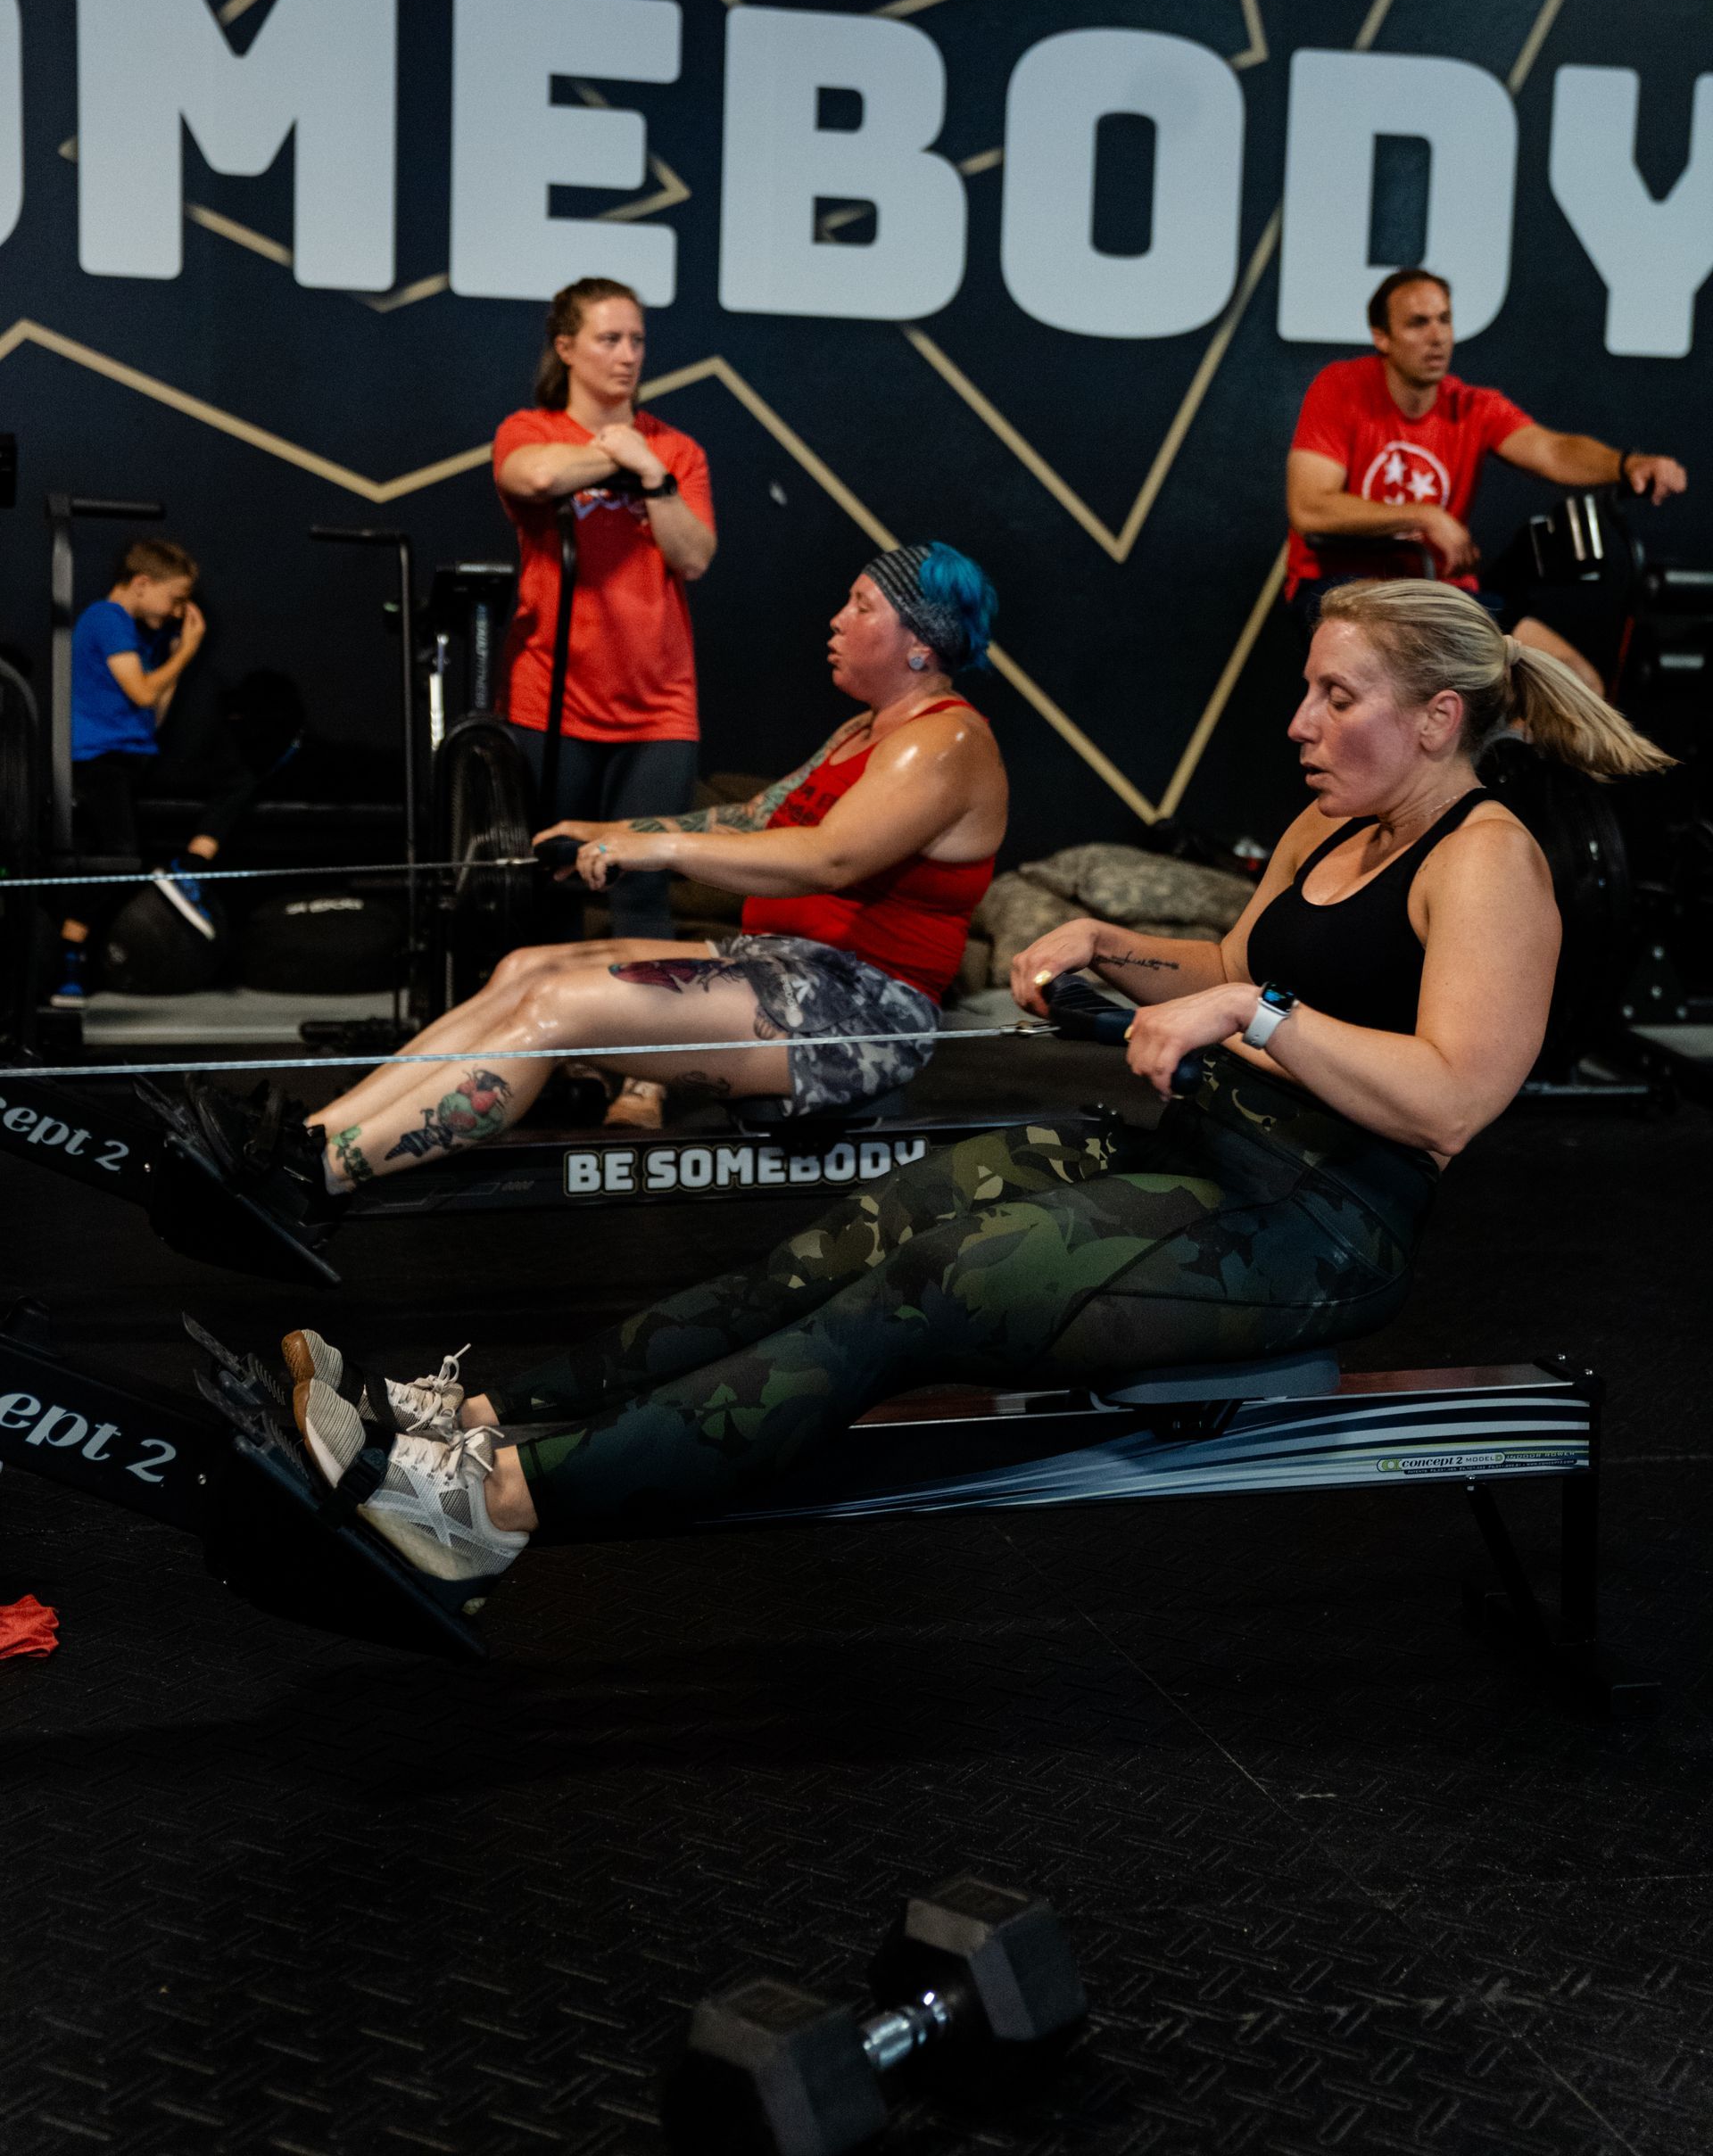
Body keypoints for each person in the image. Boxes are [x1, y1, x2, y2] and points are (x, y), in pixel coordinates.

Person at [277, 579, 1671, 1595]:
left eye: (1336, 695)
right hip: (1206, 1155)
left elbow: (1446, 1099)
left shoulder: (1491, 862)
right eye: (1307, 686)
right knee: (857, 1235)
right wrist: (1121, 950)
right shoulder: (1333, 819)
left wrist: (1262, 1009)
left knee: (923, 1294)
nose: (1301, 719)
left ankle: (499, 1509)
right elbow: (1233, 960)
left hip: (1323, 1229)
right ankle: (489, 1415)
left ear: (1438, 718)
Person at [164, 541, 1005, 1230]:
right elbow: (755, 818)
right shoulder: (867, 729)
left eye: (861, 605)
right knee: (527, 968)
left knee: (556, 1016)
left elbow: (829, 859)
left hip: (858, 1013)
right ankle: (300, 1142)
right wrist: (609, 835)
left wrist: (662, 851)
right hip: (789, 969)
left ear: (919, 641)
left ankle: (317, 1183)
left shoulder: (942, 743)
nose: (837, 618)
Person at [1284, 269, 1689, 689]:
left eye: (1444, 319)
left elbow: (1552, 449)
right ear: (1381, 337)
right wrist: (1424, 516)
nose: (1438, 336)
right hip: (1343, 591)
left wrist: (1626, 465)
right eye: (1418, 323)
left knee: (1577, 685)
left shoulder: (1472, 406)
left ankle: (1498, 753)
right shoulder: (1341, 387)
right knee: (1424, 682)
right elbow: (1310, 506)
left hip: (1441, 597)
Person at [493, 275, 716, 944]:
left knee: (641, 882)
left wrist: (650, 474)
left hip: (657, 708)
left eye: (637, 340)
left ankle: (644, 1046)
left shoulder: (673, 451)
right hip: (553, 700)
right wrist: (609, 451)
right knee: (552, 877)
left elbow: (695, 555)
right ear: (566, 346)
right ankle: (549, 1044)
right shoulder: (530, 430)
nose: (627, 355)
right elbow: (531, 477)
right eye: (609, 339)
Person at [53, 538, 234, 1007]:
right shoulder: (107, 619)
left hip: (135, 757)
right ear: (141, 584)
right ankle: (70, 951)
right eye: (175, 599)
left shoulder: (138, 635)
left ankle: (187, 870)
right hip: (99, 762)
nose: (178, 611)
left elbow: (152, 709)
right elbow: (140, 692)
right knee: (118, 855)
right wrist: (188, 650)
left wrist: (170, 654)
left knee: (235, 778)